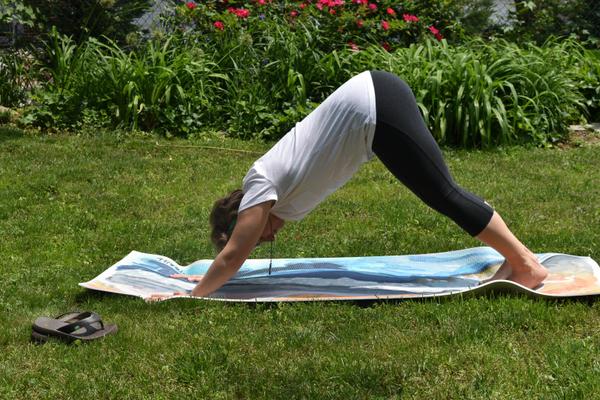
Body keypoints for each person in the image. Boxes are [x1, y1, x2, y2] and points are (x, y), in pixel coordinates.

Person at [148, 70, 548, 301]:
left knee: (444, 193)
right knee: (443, 191)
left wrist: (191, 296)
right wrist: (200, 279)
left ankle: (525, 265)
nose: (266, 239)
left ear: (240, 218)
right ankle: (520, 259)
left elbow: (233, 256)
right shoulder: (276, 195)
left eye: (259, 236)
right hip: (374, 111)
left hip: (376, 107)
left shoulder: (260, 184)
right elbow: (231, 259)